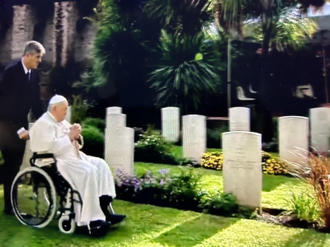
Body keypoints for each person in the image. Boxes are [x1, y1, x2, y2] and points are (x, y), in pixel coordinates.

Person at [29, 95, 126, 230]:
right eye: (63, 109)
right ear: (54, 108)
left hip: (74, 157)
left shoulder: (61, 121)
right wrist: (69, 136)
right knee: (89, 171)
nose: (65, 112)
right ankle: (92, 220)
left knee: (100, 164)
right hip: (56, 161)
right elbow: (49, 147)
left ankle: (104, 209)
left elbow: (76, 142)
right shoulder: (42, 124)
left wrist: (77, 136)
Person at [0, 41, 45, 215]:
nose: (39, 60)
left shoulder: (34, 75)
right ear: (28, 55)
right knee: (11, 165)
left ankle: (10, 206)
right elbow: (4, 105)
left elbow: (36, 102)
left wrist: (46, 122)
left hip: (21, 128)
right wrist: (18, 129)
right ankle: (11, 206)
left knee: (15, 166)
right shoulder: (10, 73)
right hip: (5, 127)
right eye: (37, 57)